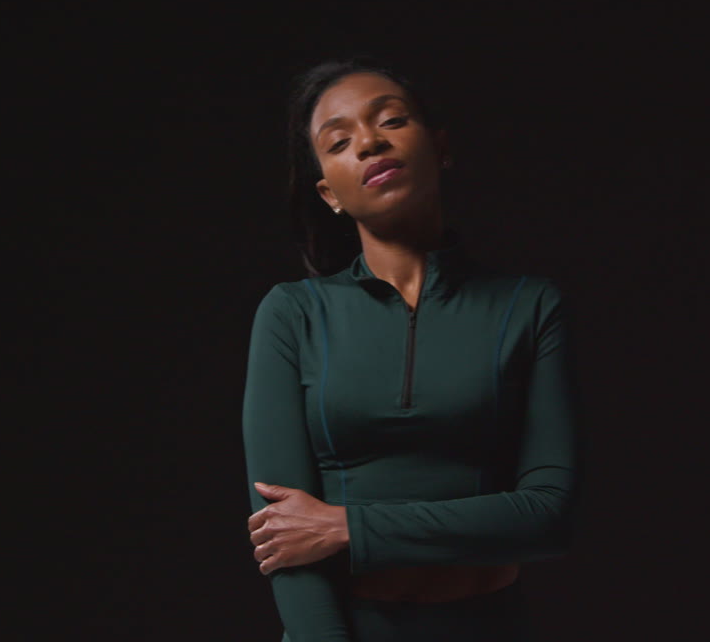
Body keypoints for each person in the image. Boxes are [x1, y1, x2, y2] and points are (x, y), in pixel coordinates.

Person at [241, 57, 580, 641]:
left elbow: (550, 514)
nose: (370, 142)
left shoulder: (528, 306)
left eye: (392, 120)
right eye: (340, 141)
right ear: (330, 193)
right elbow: (285, 539)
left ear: (440, 147)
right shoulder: (292, 314)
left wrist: (349, 528)